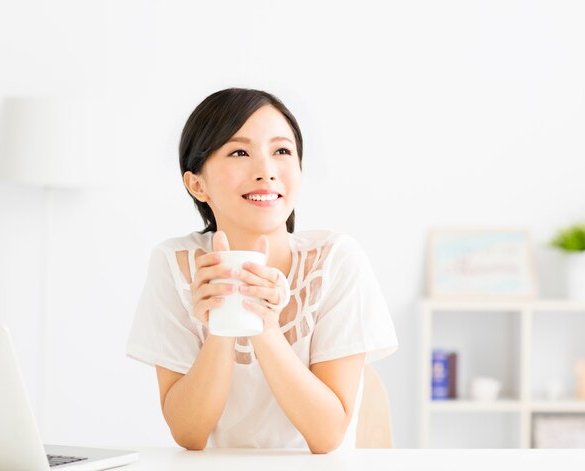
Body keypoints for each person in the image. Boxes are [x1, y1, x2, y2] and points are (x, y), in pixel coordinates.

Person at [126, 87, 398, 453]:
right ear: (196, 184)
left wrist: (266, 329)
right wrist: (221, 324)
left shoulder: (336, 260)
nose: (266, 172)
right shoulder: (175, 264)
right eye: (239, 152)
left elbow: (327, 435)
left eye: (282, 151)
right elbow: (189, 433)